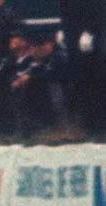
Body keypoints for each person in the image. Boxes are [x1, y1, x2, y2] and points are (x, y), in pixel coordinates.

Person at [58, 0, 106, 139]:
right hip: (72, 35)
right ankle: (86, 126)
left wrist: (90, 30)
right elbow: (66, 9)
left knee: (94, 80)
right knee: (78, 81)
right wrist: (62, 28)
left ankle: (100, 127)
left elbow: (99, 8)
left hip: (93, 37)